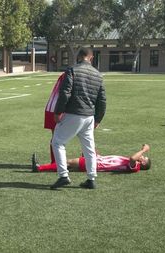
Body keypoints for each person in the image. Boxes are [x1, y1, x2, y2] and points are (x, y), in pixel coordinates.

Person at [50, 47, 106, 190]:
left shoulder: (72, 70)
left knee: (57, 142)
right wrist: (98, 119)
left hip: (74, 113)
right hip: (89, 117)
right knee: (89, 149)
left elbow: (65, 93)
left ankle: (63, 176)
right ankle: (91, 179)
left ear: (79, 56)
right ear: (91, 58)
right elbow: (102, 100)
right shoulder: (98, 75)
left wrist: (58, 112)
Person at [32, 144, 151, 173]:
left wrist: (144, 149)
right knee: (87, 143)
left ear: (143, 163)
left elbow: (132, 158)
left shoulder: (135, 167)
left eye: (144, 157)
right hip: (96, 160)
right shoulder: (134, 164)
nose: (142, 156)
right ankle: (47, 167)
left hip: (94, 164)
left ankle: (40, 168)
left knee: (67, 162)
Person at [44, 72, 67, 163]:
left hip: (54, 107)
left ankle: (55, 162)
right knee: (56, 137)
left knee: (56, 137)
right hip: (56, 108)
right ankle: (55, 162)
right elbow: (66, 93)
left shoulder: (67, 73)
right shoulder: (70, 74)